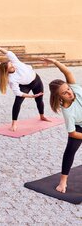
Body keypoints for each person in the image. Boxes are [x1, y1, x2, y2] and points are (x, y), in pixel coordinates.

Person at [0, 43, 50, 131]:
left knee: (39, 100)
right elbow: (18, 92)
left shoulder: (16, 63)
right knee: (17, 102)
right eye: (11, 67)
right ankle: (14, 124)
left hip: (36, 80)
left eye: (11, 64)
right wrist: (31, 96)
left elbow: (9, 54)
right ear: (7, 71)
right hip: (25, 85)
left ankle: (42, 116)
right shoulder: (12, 79)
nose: (13, 66)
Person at [43, 57, 82, 193]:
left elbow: (68, 73)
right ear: (59, 97)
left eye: (68, 89)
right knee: (70, 150)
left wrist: (55, 62)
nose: (69, 93)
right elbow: (72, 133)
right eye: (64, 93)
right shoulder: (68, 111)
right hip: (79, 127)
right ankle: (63, 182)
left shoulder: (75, 90)